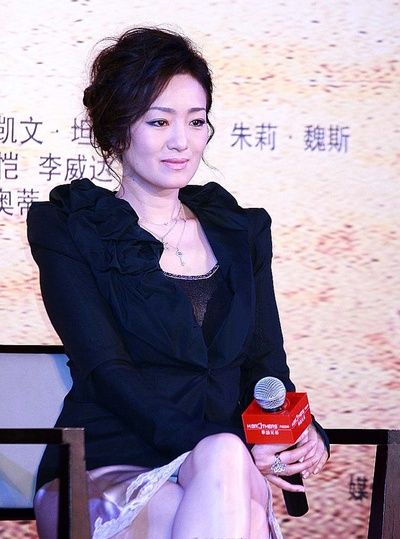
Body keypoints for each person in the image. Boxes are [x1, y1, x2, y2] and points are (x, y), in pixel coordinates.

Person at [27, 27, 329, 539]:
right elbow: (107, 372)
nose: (181, 141)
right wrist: (235, 444)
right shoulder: (71, 227)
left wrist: (302, 432)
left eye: (195, 120)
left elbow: (265, 368)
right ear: (117, 131)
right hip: (104, 466)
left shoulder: (240, 231)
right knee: (234, 497)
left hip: (221, 467)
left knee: (224, 471)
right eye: (159, 121)